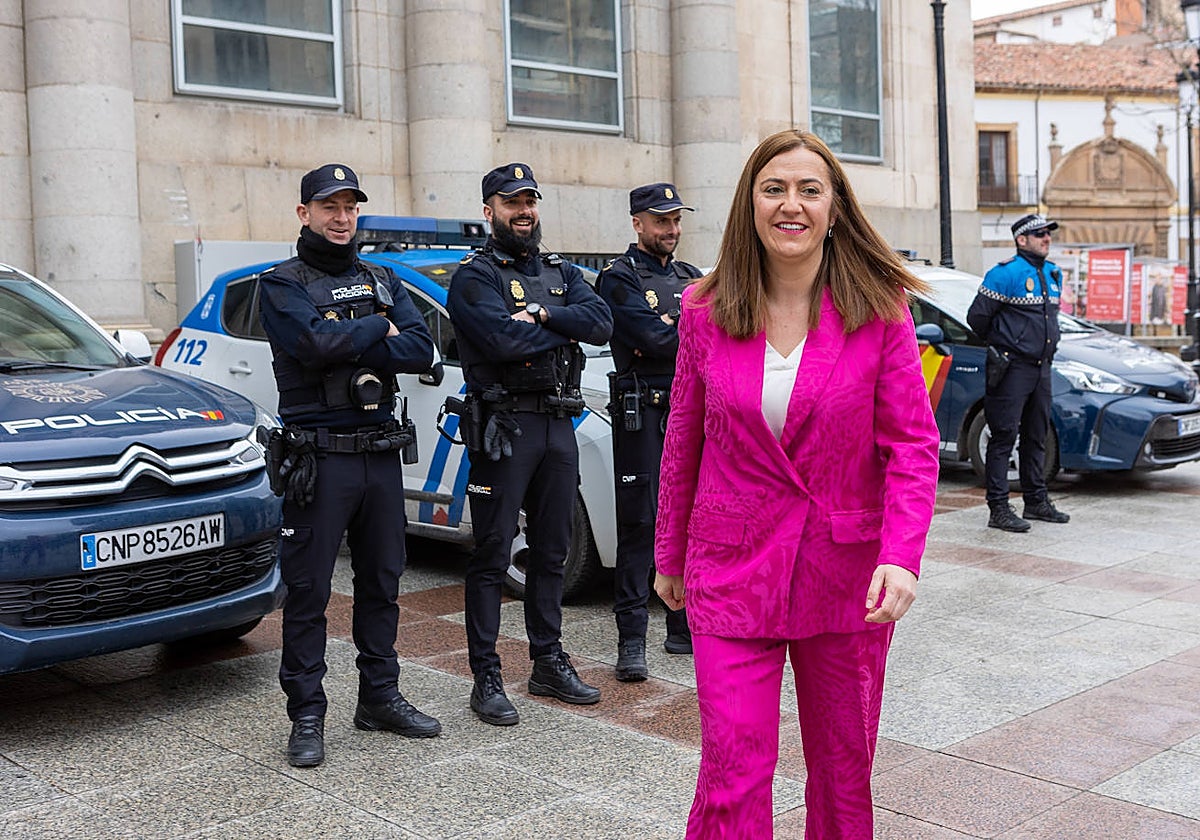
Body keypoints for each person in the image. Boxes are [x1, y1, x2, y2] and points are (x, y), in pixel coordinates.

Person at [653, 129, 940, 838]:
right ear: (749, 205)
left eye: (810, 190)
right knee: (733, 769)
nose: (792, 204)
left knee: (843, 772)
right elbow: (684, 437)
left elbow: (911, 444)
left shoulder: (880, 310)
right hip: (730, 567)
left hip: (844, 575)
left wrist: (902, 555)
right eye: (774, 188)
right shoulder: (704, 311)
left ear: (834, 208)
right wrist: (669, 554)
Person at [259, 163, 442, 768]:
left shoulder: (381, 277)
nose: (342, 219)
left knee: (382, 584)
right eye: (329, 207)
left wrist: (356, 337)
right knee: (309, 592)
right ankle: (307, 715)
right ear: (304, 213)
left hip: (380, 456)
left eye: (350, 207)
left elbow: (421, 349)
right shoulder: (280, 284)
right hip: (320, 459)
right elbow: (314, 346)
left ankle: (379, 697)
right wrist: (378, 326)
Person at [446, 162, 613, 726]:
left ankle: (547, 661)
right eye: (512, 202)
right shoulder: (475, 277)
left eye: (530, 201)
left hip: (558, 425)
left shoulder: (560, 270)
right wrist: (563, 327)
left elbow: (602, 323)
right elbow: (500, 339)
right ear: (489, 210)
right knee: (493, 552)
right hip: (505, 426)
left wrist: (542, 314)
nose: (524, 211)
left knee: (552, 550)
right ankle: (486, 675)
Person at [596, 183, 703, 682]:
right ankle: (631, 640)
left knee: (691, 519)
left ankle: (682, 628)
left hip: (689, 409)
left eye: (676, 220)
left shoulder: (691, 277)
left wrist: (671, 325)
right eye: (661, 220)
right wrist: (680, 327)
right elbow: (653, 338)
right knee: (640, 524)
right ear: (637, 223)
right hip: (642, 412)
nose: (671, 229)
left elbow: (711, 338)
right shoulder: (619, 277)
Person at [967, 213, 1070, 532]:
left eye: (1048, 233)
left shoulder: (1052, 273)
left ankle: (1036, 501)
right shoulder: (1004, 274)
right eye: (1039, 234)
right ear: (1021, 240)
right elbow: (977, 318)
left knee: (1036, 436)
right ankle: (998, 508)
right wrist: (1004, 345)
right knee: (1003, 437)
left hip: (1041, 369)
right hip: (1011, 369)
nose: (1046, 238)